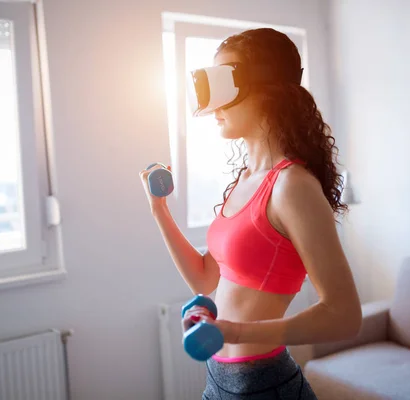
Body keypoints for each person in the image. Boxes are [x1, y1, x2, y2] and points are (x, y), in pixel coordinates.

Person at [140, 28, 362, 400]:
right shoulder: (246, 180)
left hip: (263, 385)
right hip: (218, 378)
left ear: (267, 90)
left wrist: (237, 332)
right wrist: (158, 208)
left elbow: (344, 315)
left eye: (224, 85)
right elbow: (205, 280)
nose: (214, 106)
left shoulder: (292, 186)